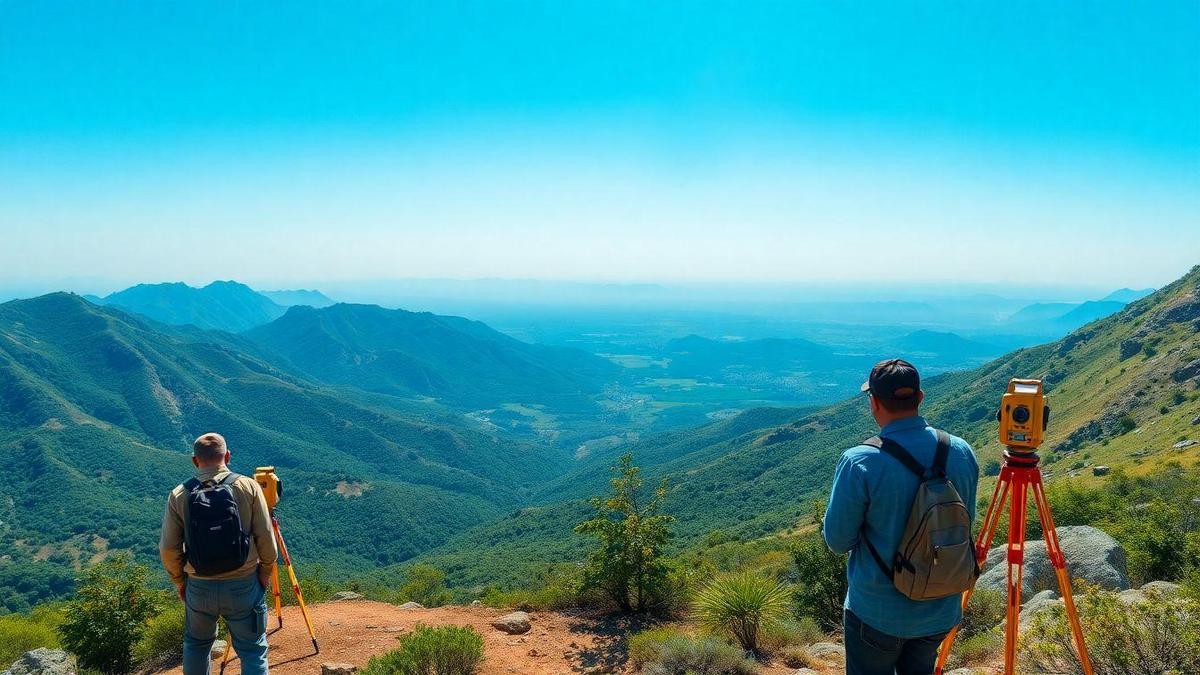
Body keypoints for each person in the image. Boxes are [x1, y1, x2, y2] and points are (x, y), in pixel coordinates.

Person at [823, 359, 979, 675]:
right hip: (939, 609)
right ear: (920, 397)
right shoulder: (961, 451)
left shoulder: (860, 461)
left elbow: (838, 541)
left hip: (877, 612)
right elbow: (964, 523)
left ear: (873, 402)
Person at [160, 433, 279, 675]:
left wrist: (180, 581)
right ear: (227, 456)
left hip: (199, 586)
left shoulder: (179, 494)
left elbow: (168, 548)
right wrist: (265, 572)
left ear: (195, 460)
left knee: (196, 645)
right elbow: (266, 537)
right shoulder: (248, 486)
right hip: (243, 584)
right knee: (252, 650)